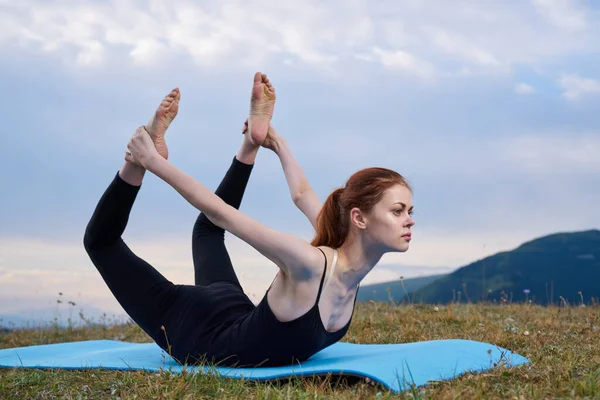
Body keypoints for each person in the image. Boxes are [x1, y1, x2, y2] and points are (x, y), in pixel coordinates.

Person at [83, 72, 415, 368]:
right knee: (101, 243)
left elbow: (302, 194)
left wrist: (272, 141)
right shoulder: (308, 263)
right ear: (359, 218)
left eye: (409, 211)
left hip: (232, 308)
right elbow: (219, 211)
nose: (409, 220)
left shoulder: (342, 248)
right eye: (397, 210)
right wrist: (152, 162)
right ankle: (134, 163)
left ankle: (246, 147)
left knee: (207, 234)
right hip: (192, 327)